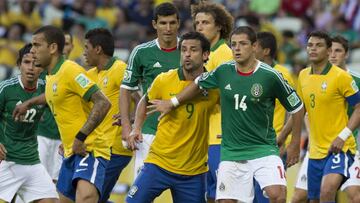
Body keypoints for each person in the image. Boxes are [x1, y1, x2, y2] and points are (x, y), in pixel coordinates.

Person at [149, 26, 304, 203]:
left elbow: (297, 107)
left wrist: (294, 143)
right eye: (234, 44)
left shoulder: (271, 76)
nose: (237, 48)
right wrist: (173, 103)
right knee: (224, 201)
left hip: (263, 148)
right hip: (232, 152)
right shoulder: (223, 71)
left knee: (277, 195)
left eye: (243, 44)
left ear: (254, 47)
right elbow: (198, 83)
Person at [12, 25, 111, 203]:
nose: (32, 51)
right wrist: (29, 103)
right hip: (70, 152)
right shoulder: (52, 76)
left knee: (85, 197)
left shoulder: (70, 70)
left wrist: (80, 137)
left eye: (36, 45)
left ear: (52, 48)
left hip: (89, 149)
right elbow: (52, 95)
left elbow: (103, 102)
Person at [125, 31, 216, 203]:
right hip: (159, 163)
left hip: (193, 171)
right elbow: (145, 101)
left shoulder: (213, 86)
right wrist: (136, 128)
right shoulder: (164, 79)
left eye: (193, 50)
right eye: (184, 50)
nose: (187, 54)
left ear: (205, 55)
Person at [297, 31, 360, 203]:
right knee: (309, 198)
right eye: (310, 45)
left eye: (319, 45)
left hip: (342, 146)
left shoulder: (345, 78)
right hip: (316, 149)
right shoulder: (304, 76)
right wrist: (295, 141)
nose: (313, 49)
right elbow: (302, 111)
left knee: (331, 191)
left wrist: (343, 135)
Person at [119, 2, 180, 178]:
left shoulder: (189, 50)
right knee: (141, 190)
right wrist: (126, 126)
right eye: (163, 23)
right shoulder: (141, 52)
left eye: (172, 23)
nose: (168, 28)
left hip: (183, 132)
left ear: (178, 24)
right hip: (149, 131)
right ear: (154, 24)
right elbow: (126, 89)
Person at [0, 43, 58, 203]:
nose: (31, 68)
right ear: (19, 65)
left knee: (51, 201)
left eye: (37, 64)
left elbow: (60, 96)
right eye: (26, 62)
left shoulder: (45, 89)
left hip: (32, 162)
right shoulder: (6, 89)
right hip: (6, 161)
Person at [83, 28, 133, 203]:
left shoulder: (120, 69)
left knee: (94, 196)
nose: (83, 53)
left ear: (98, 49)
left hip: (116, 148)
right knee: (92, 196)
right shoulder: (89, 75)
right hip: (96, 147)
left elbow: (140, 99)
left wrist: (129, 118)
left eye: (86, 47)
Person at [192, 3, 233, 202]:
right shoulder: (203, 54)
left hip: (220, 134)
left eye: (205, 22)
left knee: (224, 193)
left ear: (219, 26)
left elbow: (221, 93)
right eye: (197, 23)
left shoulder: (224, 54)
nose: (200, 27)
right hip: (205, 134)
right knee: (210, 193)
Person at [254, 31, 296, 203]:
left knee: (273, 196)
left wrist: (285, 139)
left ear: (266, 51)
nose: (250, 48)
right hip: (249, 145)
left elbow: (294, 110)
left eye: (254, 45)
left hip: (273, 145)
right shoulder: (249, 71)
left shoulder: (282, 74)